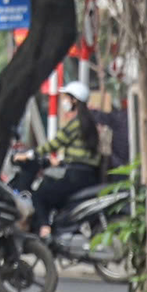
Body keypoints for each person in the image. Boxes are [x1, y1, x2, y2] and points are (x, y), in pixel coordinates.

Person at [25, 82, 104, 221]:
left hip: (76, 176)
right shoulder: (89, 121)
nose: (64, 102)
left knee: (39, 196)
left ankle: (44, 230)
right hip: (88, 175)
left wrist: (30, 154)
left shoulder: (76, 123)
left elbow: (55, 143)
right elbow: (81, 153)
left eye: (66, 98)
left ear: (75, 100)